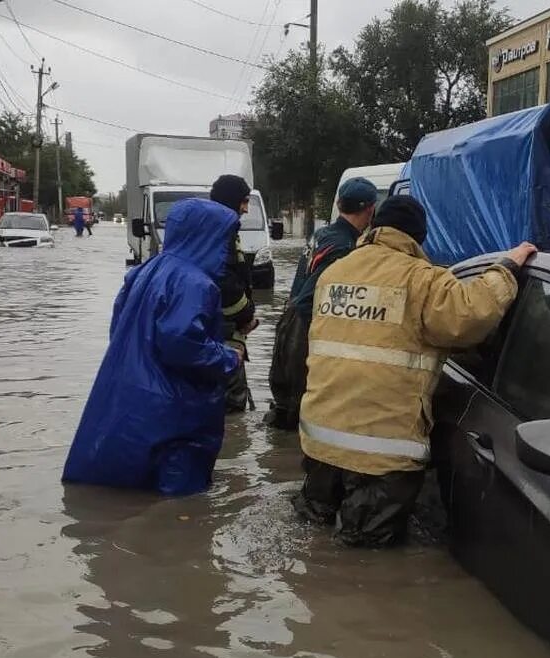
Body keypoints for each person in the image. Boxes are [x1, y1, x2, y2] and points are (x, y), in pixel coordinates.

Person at [294, 195, 536, 547]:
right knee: (365, 560)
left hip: (319, 441)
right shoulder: (422, 280)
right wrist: (506, 269)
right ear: (418, 237)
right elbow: (470, 316)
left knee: (313, 538)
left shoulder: (336, 272)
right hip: (380, 453)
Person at [62, 197, 242, 496]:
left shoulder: (145, 271)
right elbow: (182, 343)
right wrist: (229, 357)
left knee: (128, 488)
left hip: (130, 395)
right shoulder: (196, 283)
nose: (229, 249)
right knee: (180, 507)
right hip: (174, 409)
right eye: (226, 239)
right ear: (207, 236)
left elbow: (118, 325)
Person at [264, 177, 378, 430]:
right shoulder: (345, 247)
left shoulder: (323, 234)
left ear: (338, 204)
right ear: (370, 209)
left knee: (289, 404)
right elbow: (313, 296)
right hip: (304, 327)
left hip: (290, 319)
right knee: (303, 410)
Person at [210, 174, 259, 413]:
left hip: (224, 334)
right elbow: (226, 285)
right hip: (226, 336)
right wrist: (246, 315)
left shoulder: (219, 230)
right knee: (231, 409)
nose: (246, 209)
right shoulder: (221, 233)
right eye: (244, 201)